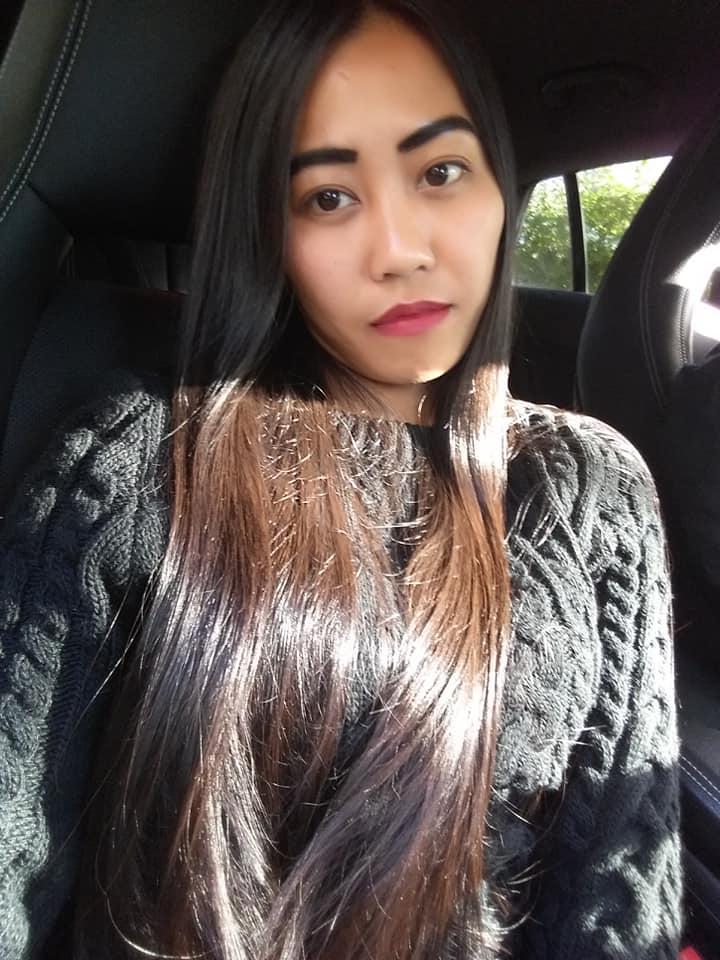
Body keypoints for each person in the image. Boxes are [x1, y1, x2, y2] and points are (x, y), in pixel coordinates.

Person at [0, 1, 682, 957]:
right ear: (267, 233)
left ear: (499, 188)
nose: (398, 248)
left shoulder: (592, 493)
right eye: (327, 196)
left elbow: (617, 904)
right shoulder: (129, 468)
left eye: (440, 172)